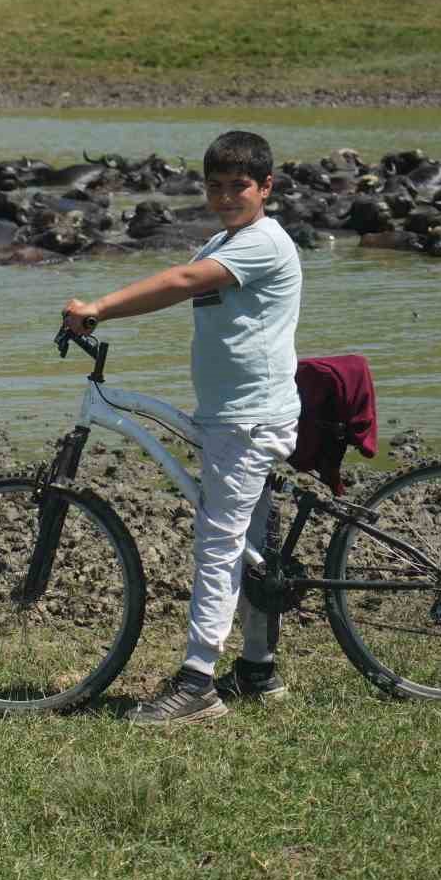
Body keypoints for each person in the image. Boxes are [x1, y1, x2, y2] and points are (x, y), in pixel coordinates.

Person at [61, 130, 302, 725]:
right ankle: (258, 668)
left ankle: (197, 684)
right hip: (230, 413)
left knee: (217, 546)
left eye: (238, 187)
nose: (225, 197)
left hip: (248, 419)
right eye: (214, 186)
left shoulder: (263, 242)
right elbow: (182, 287)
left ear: (265, 188)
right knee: (250, 548)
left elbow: (181, 283)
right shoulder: (226, 239)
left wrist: (101, 306)